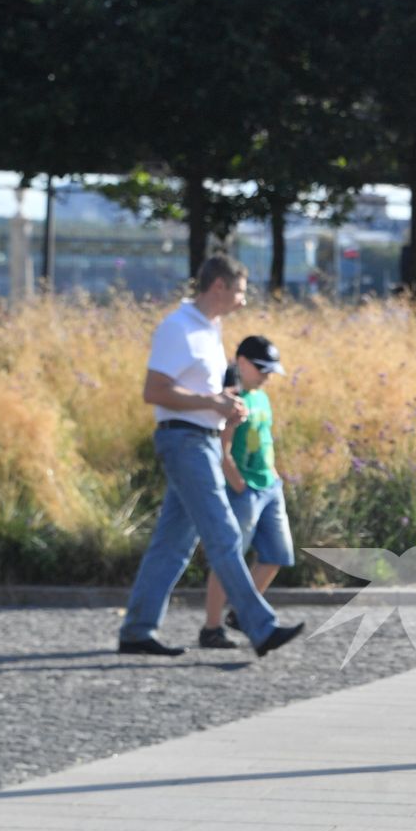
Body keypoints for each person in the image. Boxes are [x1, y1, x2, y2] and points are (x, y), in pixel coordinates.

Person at [117, 256, 304, 658]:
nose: (241, 300)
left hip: (200, 439)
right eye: (238, 290)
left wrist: (227, 407)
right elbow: (154, 391)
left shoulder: (209, 330)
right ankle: (261, 627)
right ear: (217, 286)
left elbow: (197, 391)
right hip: (184, 441)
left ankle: (136, 631)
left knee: (173, 545)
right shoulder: (178, 328)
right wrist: (213, 403)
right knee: (223, 533)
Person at [199, 336, 296, 649]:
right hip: (244, 489)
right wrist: (236, 481)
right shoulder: (235, 397)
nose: (267, 375)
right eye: (262, 369)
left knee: (277, 555)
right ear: (241, 363)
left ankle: (242, 613)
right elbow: (221, 446)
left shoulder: (261, 396)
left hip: (269, 485)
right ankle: (211, 627)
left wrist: (274, 474)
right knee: (230, 557)